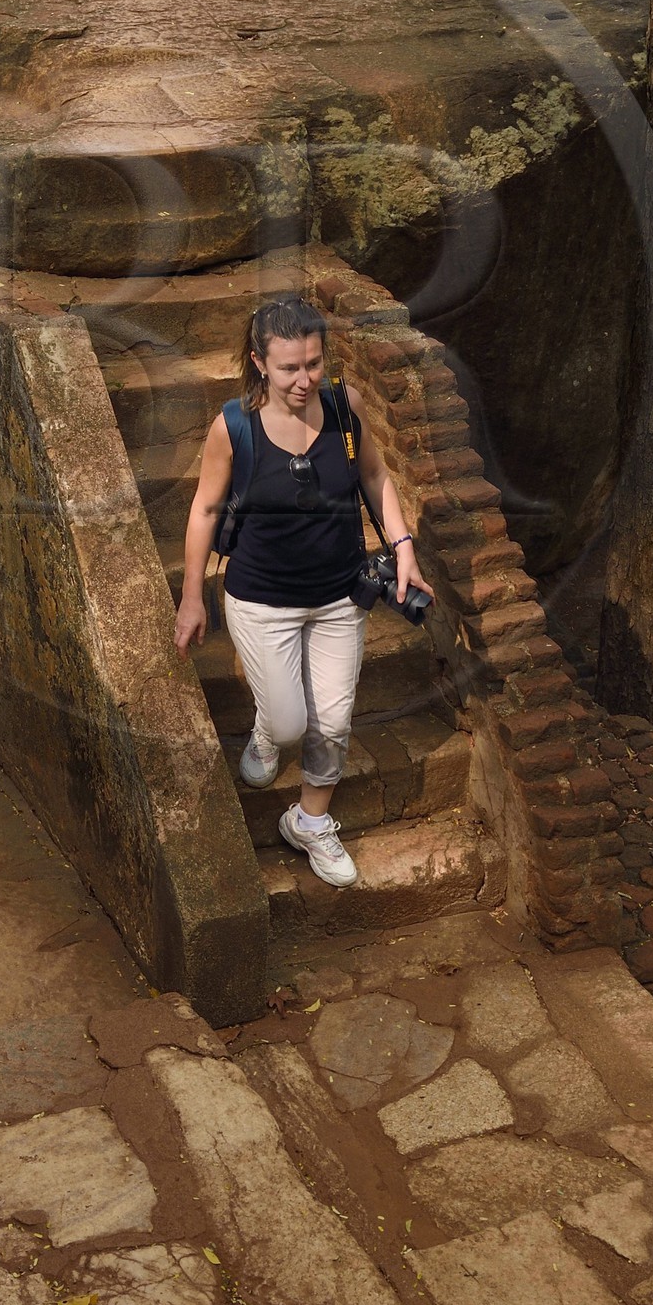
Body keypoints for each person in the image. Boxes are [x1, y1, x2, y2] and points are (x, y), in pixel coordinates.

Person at [174, 294, 432, 889]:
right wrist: (192, 596)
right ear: (259, 362)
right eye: (289, 367)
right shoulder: (233, 426)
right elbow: (204, 509)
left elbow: (373, 475)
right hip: (261, 600)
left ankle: (309, 820)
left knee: (334, 723)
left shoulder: (344, 407)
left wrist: (403, 546)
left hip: (341, 596)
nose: (304, 379)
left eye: (313, 364)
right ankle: (268, 732)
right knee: (291, 724)